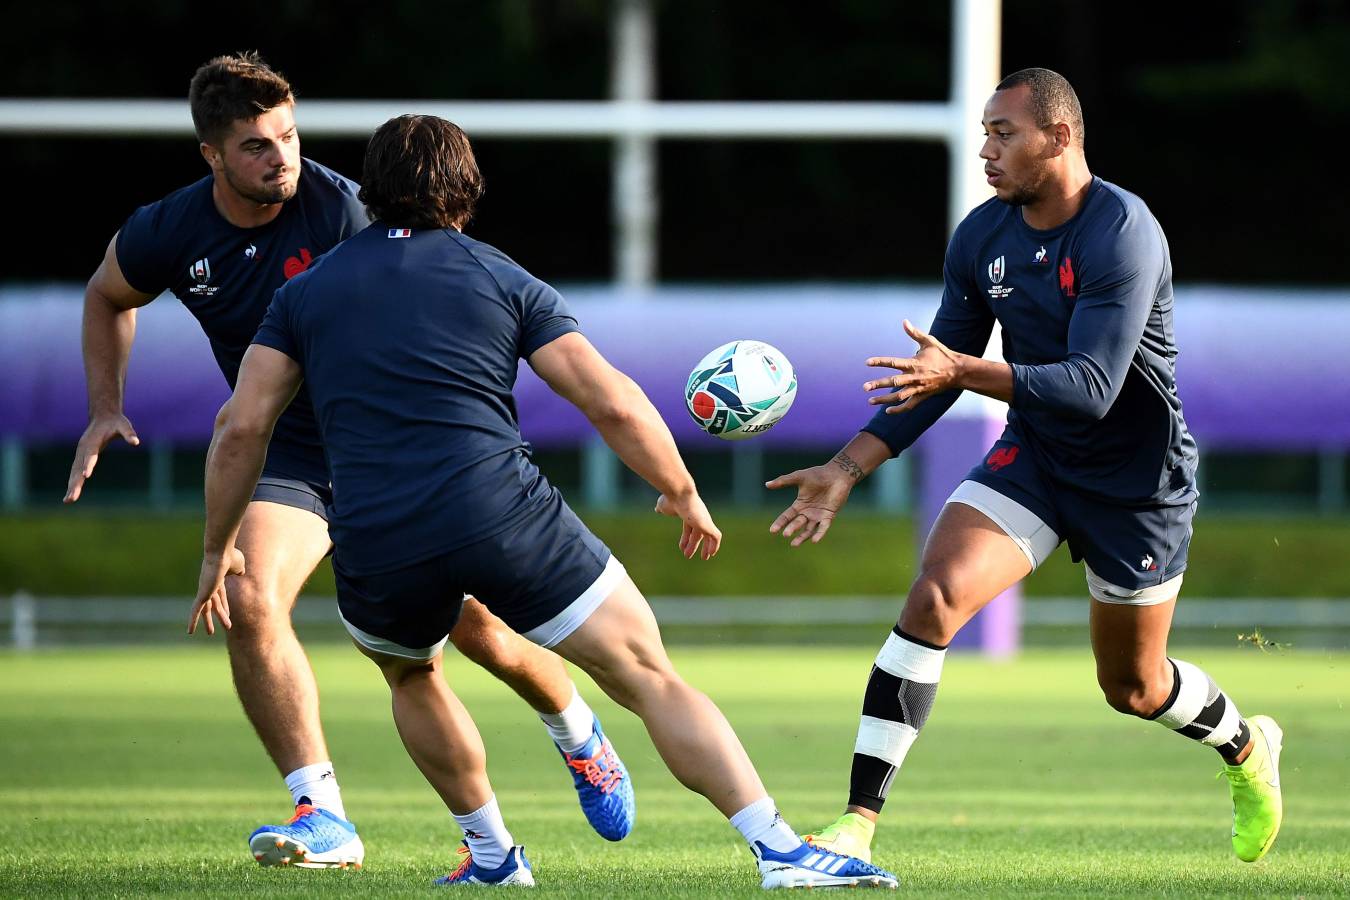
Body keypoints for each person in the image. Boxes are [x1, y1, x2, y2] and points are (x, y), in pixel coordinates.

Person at [191, 112, 900, 889]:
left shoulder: (306, 293)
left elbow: (241, 427)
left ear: (373, 191)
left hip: (376, 533)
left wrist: (217, 545)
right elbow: (613, 403)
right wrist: (680, 490)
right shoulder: (499, 275)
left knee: (411, 677)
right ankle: (780, 851)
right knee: (648, 675)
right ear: (466, 188)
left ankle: (492, 854)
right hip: (501, 512)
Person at [64, 52, 633, 868]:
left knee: (486, 637)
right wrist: (105, 407)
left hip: (392, 454)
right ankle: (321, 811)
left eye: (290, 136)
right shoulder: (168, 229)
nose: (282, 157)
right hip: (288, 455)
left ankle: (575, 729)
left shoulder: (346, 215)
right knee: (251, 598)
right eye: (257, 145)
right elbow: (106, 294)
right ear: (211, 156)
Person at [767, 68, 1282, 866]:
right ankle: (855, 824)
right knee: (934, 598)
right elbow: (942, 368)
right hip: (1037, 457)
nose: (985, 151)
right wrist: (847, 466)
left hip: (1136, 484)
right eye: (984, 133)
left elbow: (1090, 386)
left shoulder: (1123, 230)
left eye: (1004, 133)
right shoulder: (982, 236)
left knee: (1134, 689)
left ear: (1061, 137)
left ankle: (1247, 748)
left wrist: (960, 373)